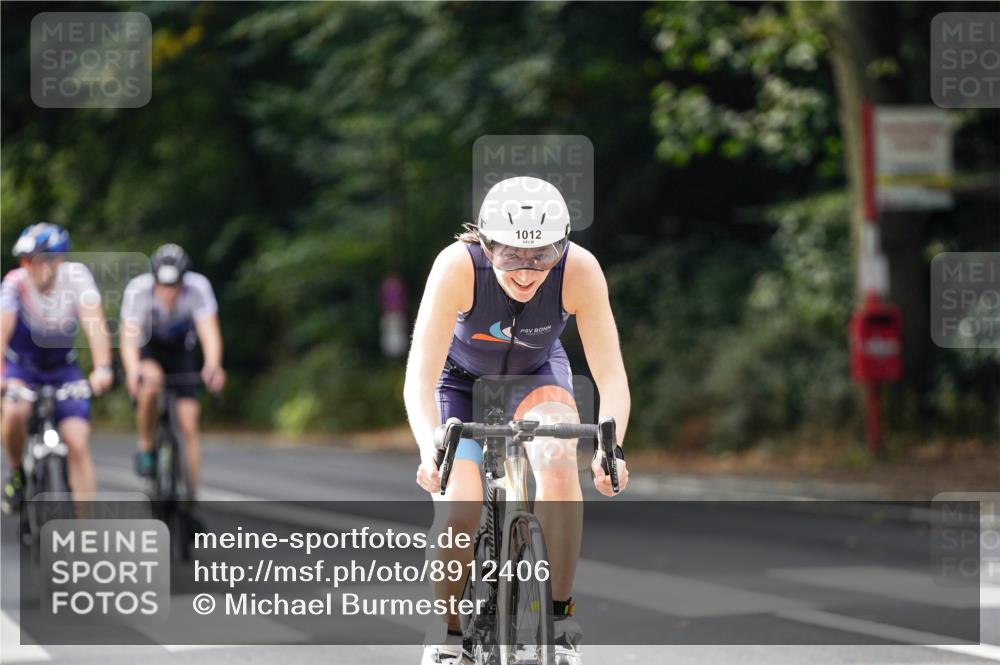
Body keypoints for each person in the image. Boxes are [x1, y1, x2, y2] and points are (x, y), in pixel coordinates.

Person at [404, 176, 631, 665]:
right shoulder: (457, 266)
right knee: (459, 506)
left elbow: (611, 373)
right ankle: (447, 632)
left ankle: (559, 621)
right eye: (510, 256)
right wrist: (429, 448)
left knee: (558, 461)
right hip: (459, 385)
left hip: (536, 376)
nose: (527, 273)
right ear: (487, 245)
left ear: (562, 246)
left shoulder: (580, 269)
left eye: (542, 256)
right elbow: (419, 376)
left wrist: (611, 450)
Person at [1, 223, 114, 511]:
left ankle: (84, 529)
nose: (27, 267)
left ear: (57, 261)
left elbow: (95, 325)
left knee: (77, 440)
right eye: (24, 261)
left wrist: (102, 367)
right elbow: (2, 331)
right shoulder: (15, 283)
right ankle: (17, 472)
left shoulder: (77, 278)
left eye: (33, 260)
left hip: (63, 368)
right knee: (14, 413)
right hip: (22, 367)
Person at [119, 243, 225, 495]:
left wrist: (213, 366)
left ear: (183, 281)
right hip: (150, 348)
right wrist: (133, 371)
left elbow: (209, 332)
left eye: (174, 285)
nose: (168, 292)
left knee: (189, 423)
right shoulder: (138, 290)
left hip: (180, 351)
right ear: (154, 279)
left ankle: (191, 498)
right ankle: (146, 445)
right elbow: (129, 336)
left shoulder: (198, 288)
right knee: (150, 383)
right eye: (163, 285)